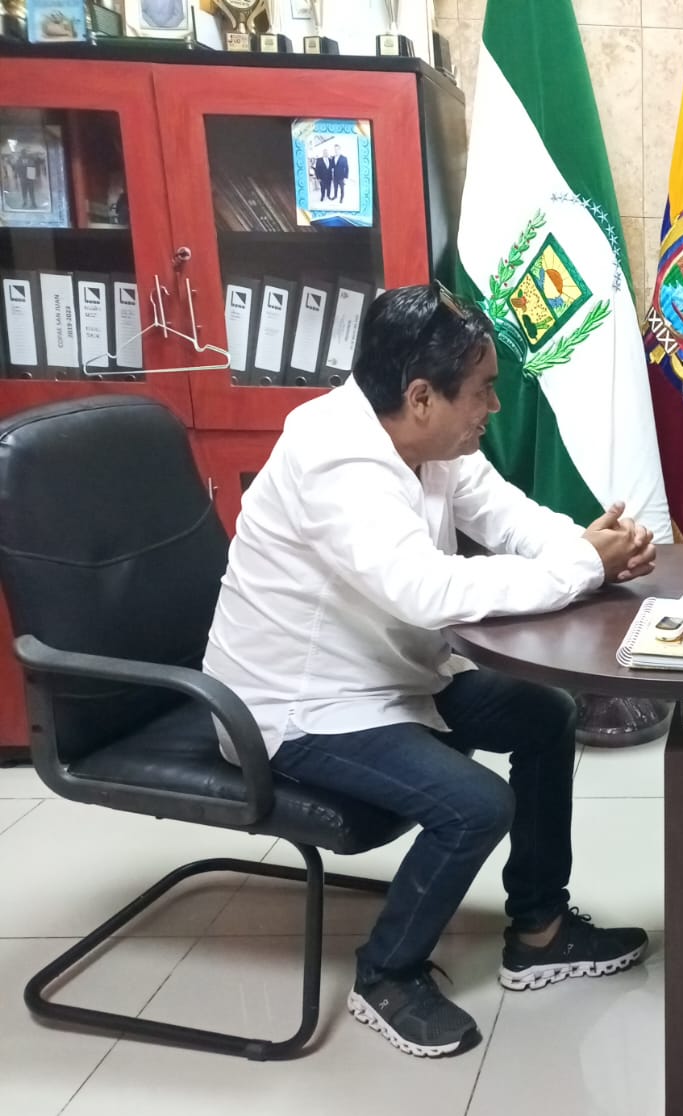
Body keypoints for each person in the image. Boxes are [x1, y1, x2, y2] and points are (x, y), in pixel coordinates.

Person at [203, 283, 655, 1059]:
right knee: (476, 806)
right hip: (295, 709)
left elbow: (508, 516)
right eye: (483, 391)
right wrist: (583, 566)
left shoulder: (430, 442)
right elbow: (427, 591)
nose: (494, 407)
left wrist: (589, 548)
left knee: (546, 713)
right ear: (421, 397)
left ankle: (540, 929)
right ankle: (386, 973)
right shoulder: (333, 457)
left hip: (386, 675)